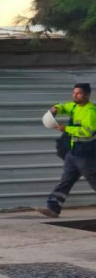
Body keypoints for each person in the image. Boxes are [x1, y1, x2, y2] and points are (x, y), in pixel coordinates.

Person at [37, 83, 96, 218]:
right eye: (74, 93)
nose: (75, 95)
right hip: (73, 152)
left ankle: (53, 207)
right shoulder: (75, 106)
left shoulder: (91, 111)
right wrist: (56, 109)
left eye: (78, 93)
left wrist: (66, 129)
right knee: (65, 181)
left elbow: (88, 132)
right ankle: (53, 208)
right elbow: (65, 106)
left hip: (86, 154)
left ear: (86, 95)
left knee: (94, 180)